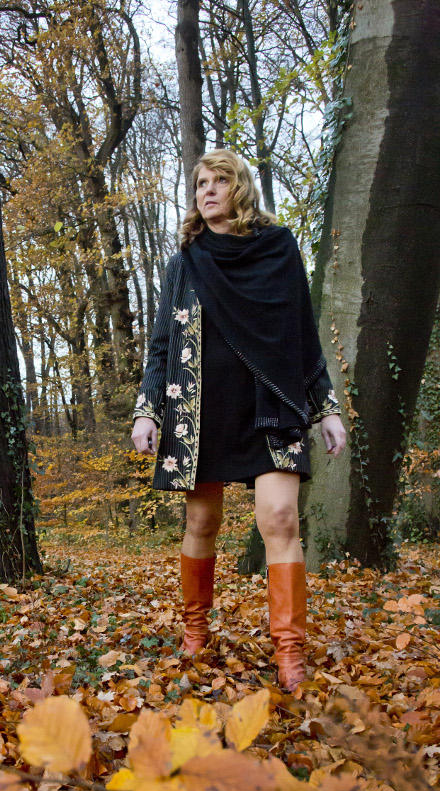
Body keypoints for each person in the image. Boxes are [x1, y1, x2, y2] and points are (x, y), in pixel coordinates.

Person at [131, 150, 346, 693]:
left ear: (240, 189)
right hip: (200, 411)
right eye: (200, 183)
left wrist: (327, 407)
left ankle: (290, 654)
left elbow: (303, 332)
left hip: (269, 405)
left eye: (219, 182)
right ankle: (196, 633)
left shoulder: (279, 250)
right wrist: (147, 409)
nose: (206, 191)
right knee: (202, 523)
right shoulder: (186, 260)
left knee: (280, 520)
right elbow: (162, 343)